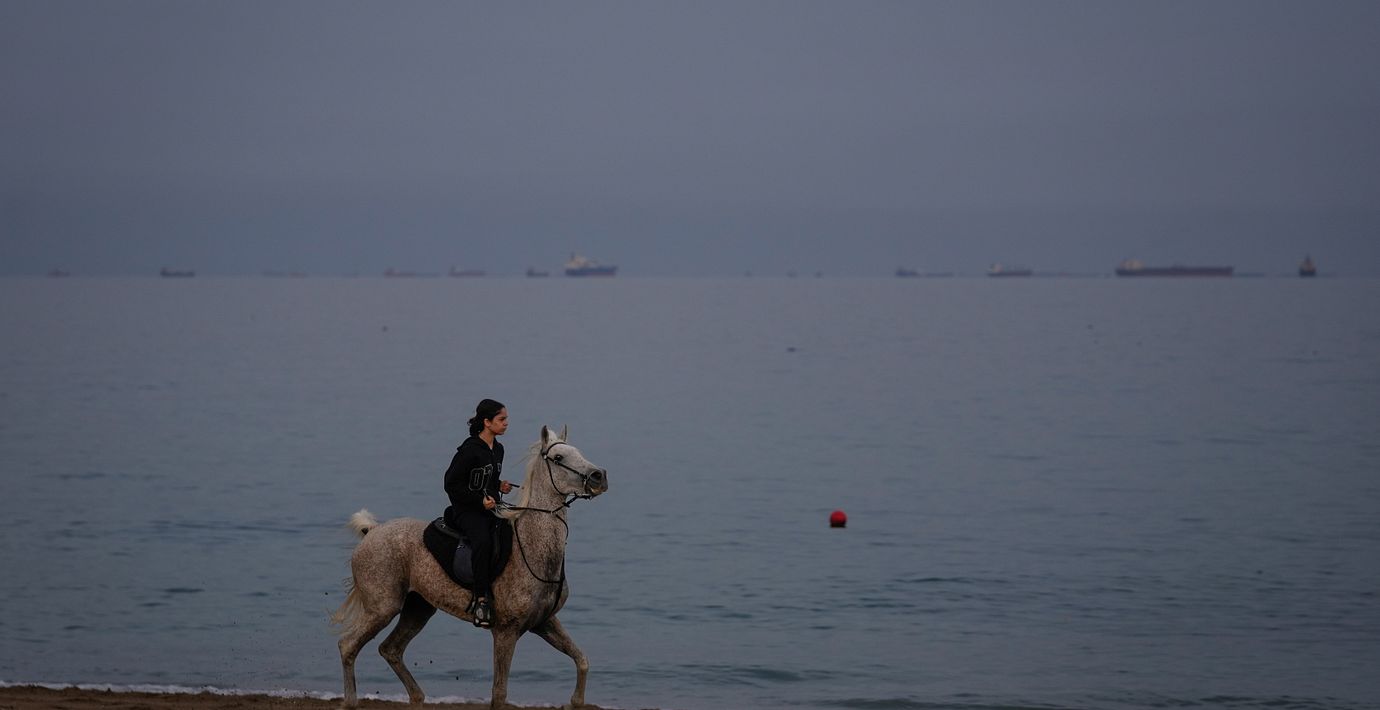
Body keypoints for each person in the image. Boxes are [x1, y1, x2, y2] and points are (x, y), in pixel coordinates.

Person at [442, 398, 514, 628]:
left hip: (491, 508)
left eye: (506, 419)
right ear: (486, 422)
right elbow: (451, 484)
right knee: (482, 541)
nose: (506, 424)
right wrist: (479, 501)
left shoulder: (498, 449)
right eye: (501, 419)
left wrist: (499, 486)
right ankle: (481, 598)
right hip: (467, 511)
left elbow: (487, 480)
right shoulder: (469, 451)